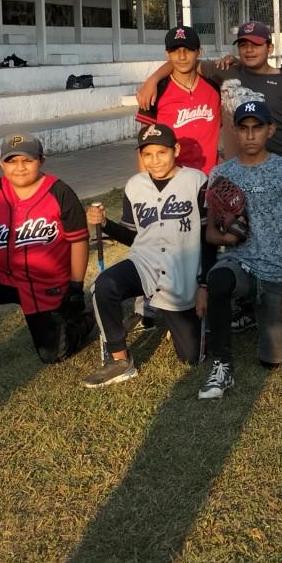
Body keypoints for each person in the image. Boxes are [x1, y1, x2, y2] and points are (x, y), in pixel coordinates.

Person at [0, 133, 95, 376]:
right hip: (2, 273)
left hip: (45, 281)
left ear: (41, 160)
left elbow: (79, 241)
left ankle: (86, 317)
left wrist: (75, 286)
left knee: (53, 354)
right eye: (11, 161)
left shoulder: (59, 192)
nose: (20, 167)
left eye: (27, 160)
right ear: (1, 164)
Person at [81, 123, 210, 387]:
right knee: (104, 286)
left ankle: (176, 320)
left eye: (162, 152)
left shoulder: (196, 180)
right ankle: (120, 360)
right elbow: (132, 236)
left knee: (191, 357)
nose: (155, 160)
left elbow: (207, 238)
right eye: (147, 154)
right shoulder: (135, 185)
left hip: (182, 271)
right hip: (145, 263)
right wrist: (105, 223)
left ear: (176, 150)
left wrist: (204, 285)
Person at [198, 100, 282, 399]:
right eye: (243, 128)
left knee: (272, 359)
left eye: (257, 128)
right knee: (220, 279)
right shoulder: (221, 173)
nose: (249, 135)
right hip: (239, 262)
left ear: (270, 130)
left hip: (275, 269)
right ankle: (222, 364)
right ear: (234, 131)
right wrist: (228, 238)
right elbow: (210, 234)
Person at [137, 20, 282, 167]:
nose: (249, 50)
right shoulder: (225, 73)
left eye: (256, 45)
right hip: (238, 169)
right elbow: (185, 62)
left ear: (270, 48)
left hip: (280, 165)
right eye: (243, 45)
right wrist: (153, 79)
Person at [135, 25, 222, 175]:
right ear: (167, 54)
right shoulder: (156, 91)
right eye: (175, 50)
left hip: (211, 177)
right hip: (173, 178)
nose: (182, 57)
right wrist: (146, 182)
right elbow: (144, 144)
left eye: (188, 50)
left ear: (199, 51)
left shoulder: (215, 85)